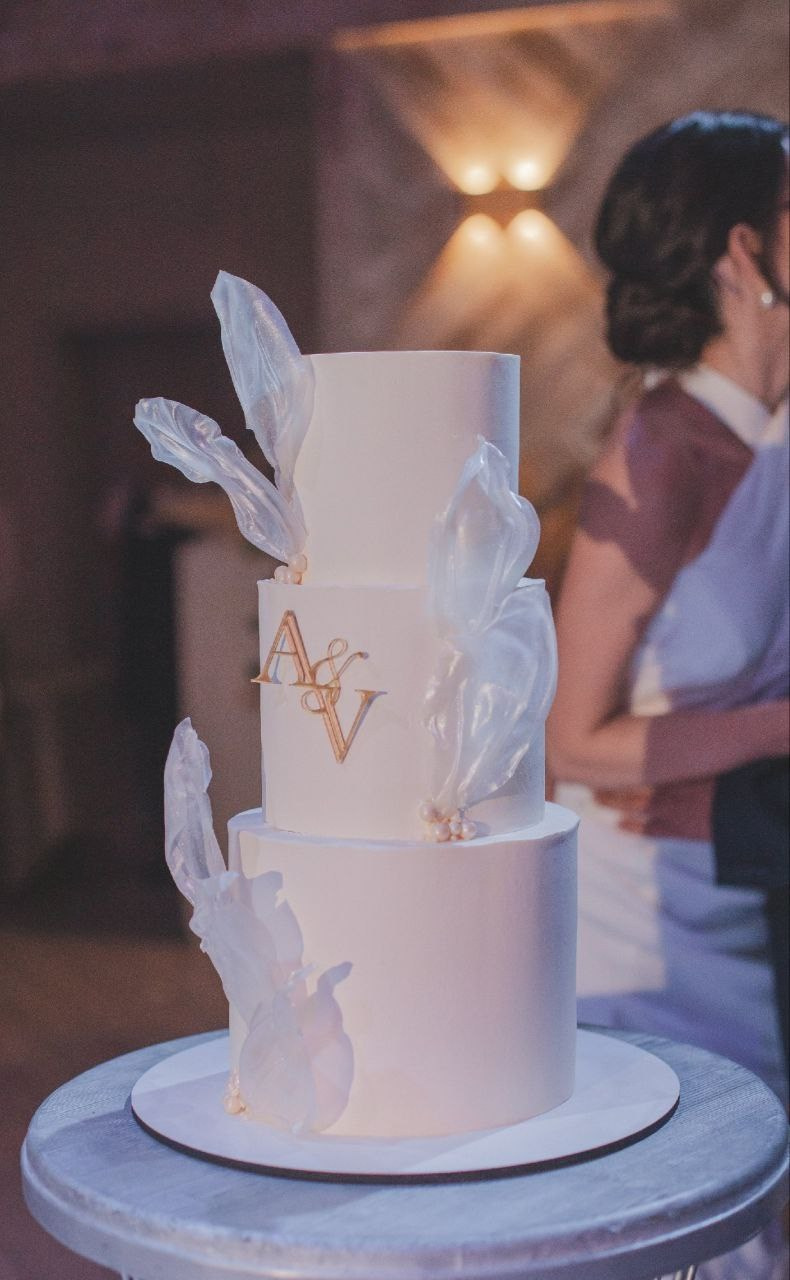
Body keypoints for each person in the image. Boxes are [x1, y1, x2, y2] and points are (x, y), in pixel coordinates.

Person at [549, 111, 788, 1280]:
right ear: (746, 252)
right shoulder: (658, 449)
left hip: (748, 857)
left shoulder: (775, 432)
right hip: (643, 910)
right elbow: (572, 740)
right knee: (695, 1217)